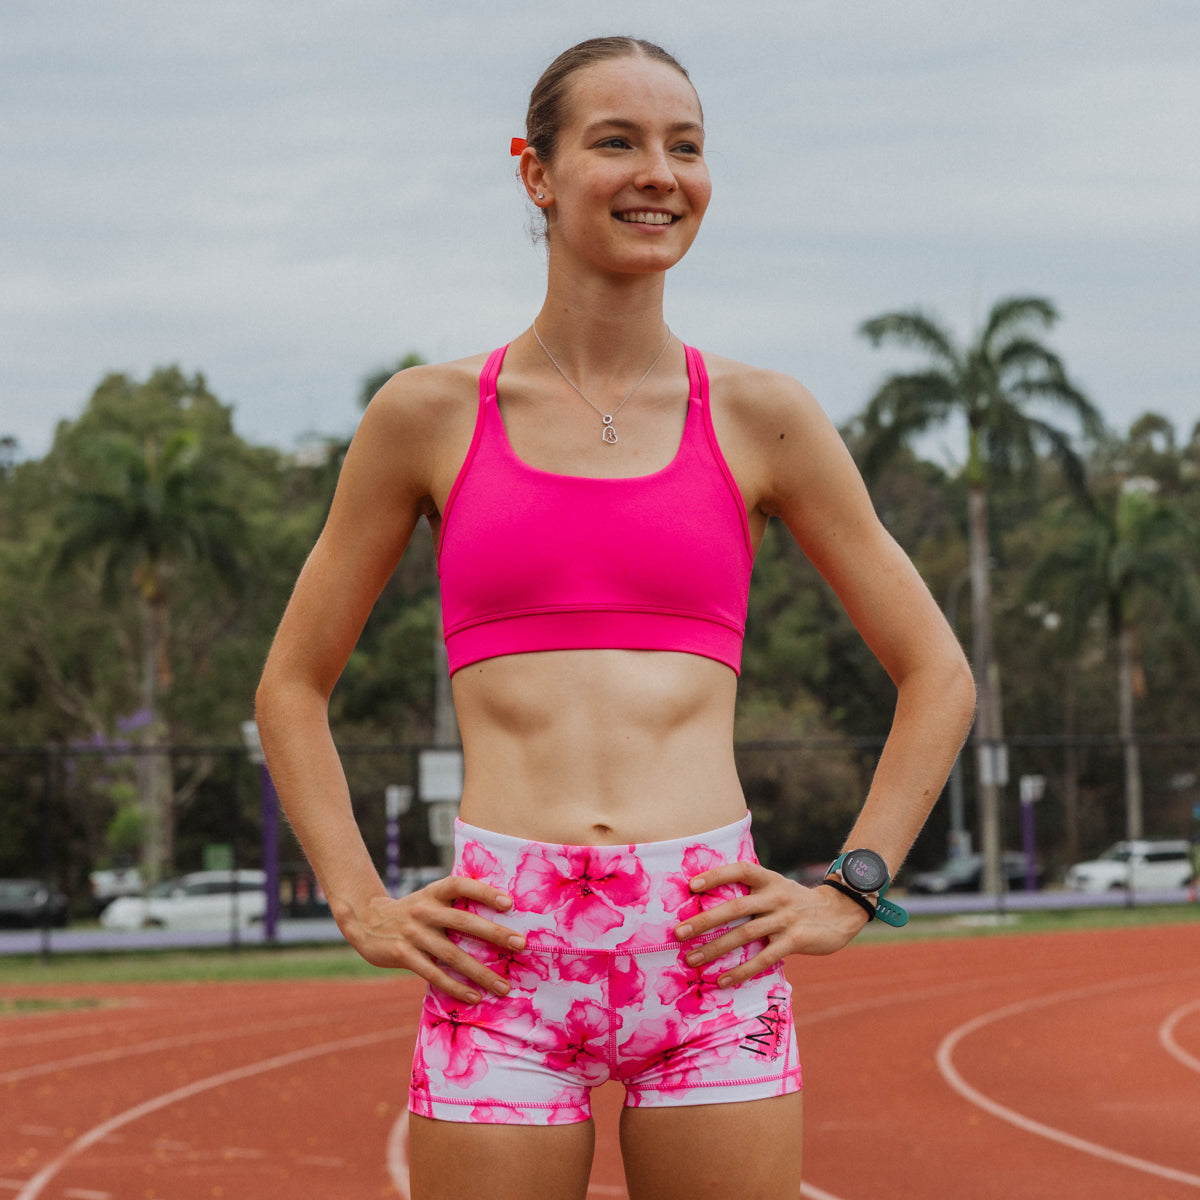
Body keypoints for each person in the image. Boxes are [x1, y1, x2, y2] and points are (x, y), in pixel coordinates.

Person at [255, 35, 976, 1200]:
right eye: (617, 142)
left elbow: (936, 671)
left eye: (685, 147)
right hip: (503, 957)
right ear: (534, 173)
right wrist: (361, 904)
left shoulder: (761, 416)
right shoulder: (428, 416)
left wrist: (851, 886)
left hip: (710, 956)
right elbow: (290, 684)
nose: (660, 173)